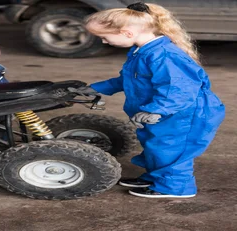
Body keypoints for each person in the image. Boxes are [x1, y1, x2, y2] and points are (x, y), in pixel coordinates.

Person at [70, 2, 226, 198]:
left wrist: (155, 110)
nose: (104, 42)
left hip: (184, 114)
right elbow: (129, 80)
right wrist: (95, 88)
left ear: (126, 33)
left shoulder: (164, 55)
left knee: (171, 151)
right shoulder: (143, 51)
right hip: (165, 111)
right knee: (155, 146)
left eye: (104, 37)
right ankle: (156, 178)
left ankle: (175, 188)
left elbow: (179, 89)